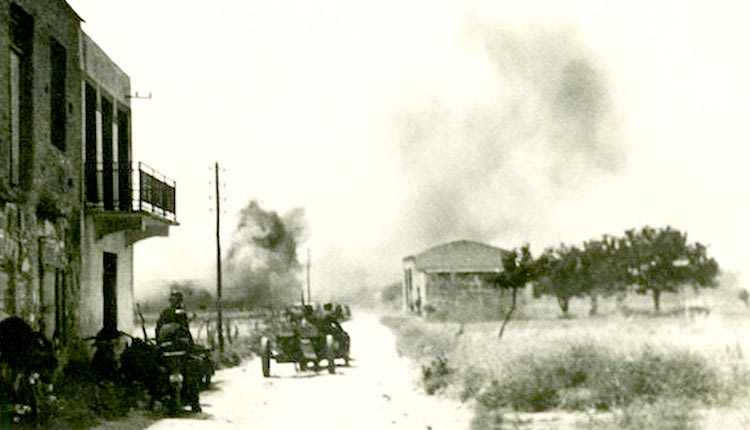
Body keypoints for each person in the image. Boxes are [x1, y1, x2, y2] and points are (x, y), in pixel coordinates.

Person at [155, 291, 201, 412]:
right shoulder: (171, 313)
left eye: (176, 300)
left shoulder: (172, 313)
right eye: (172, 300)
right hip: (171, 349)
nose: (174, 302)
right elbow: (159, 329)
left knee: (192, 372)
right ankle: (158, 399)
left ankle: (194, 402)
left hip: (178, 349)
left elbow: (184, 331)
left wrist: (189, 345)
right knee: (158, 372)